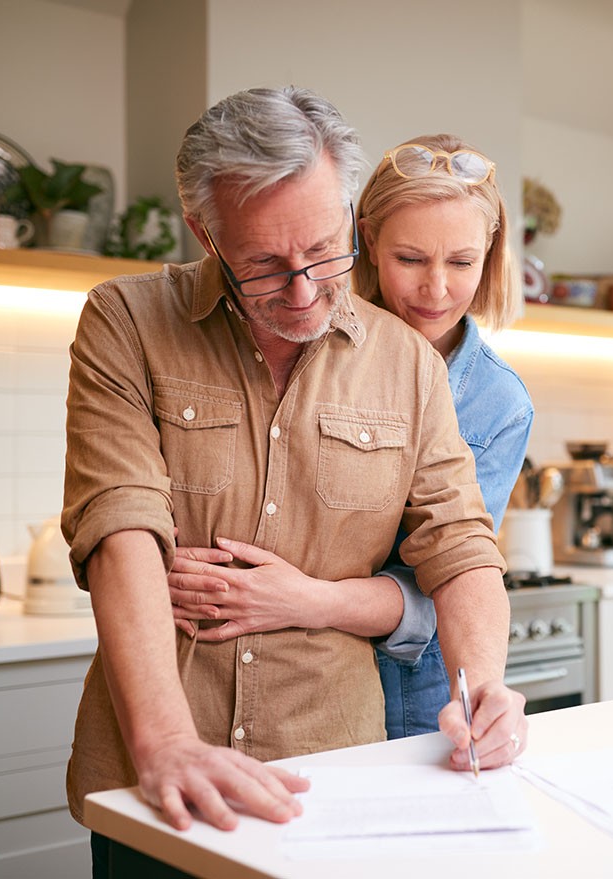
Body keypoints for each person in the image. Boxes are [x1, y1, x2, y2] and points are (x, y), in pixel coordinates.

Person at [60, 87, 526, 874]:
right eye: (266, 267)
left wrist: (484, 688)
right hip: (156, 773)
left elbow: (461, 545)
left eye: (323, 251)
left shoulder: (409, 363)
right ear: (206, 232)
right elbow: (120, 524)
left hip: (333, 772)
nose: (305, 291)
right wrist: (166, 739)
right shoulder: (126, 321)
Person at [166, 135, 534, 738]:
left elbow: (446, 573)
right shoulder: (296, 326)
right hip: (265, 680)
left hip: (415, 688)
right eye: (410, 259)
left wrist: (304, 597)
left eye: (462, 262)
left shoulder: (499, 402)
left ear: (490, 256)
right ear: (360, 240)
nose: (435, 289)